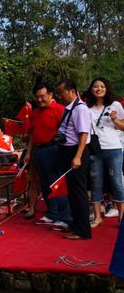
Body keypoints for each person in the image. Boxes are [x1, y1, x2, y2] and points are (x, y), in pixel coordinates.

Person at [23, 83, 72, 224]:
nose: (39, 99)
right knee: (44, 183)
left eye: (42, 96)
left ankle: (65, 216)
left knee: (56, 183)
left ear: (50, 95)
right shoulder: (36, 112)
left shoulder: (60, 110)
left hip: (54, 149)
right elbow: (33, 134)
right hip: (38, 150)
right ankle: (52, 213)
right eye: (37, 97)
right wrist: (28, 152)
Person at [55, 79, 92, 239]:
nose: (60, 96)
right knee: (72, 192)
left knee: (78, 192)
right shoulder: (69, 109)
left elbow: (83, 133)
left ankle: (83, 231)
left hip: (76, 152)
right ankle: (76, 224)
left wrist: (77, 156)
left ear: (71, 91)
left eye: (61, 92)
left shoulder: (80, 109)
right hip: (67, 151)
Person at [85, 77, 124, 226]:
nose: (99, 89)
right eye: (95, 86)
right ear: (91, 89)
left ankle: (121, 217)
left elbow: (123, 127)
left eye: (102, 86)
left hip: (113, 149)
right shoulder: (86, 107)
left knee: (117, 183)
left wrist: (115, 120)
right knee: (95, 183)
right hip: (95, 150)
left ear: (106, 89)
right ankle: (97, 217)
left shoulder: (115, 105)